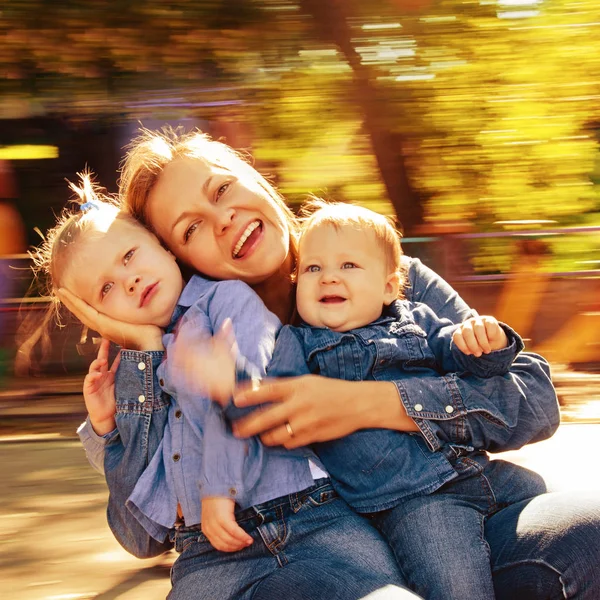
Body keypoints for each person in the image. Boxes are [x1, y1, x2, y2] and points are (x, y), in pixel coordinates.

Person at [59, 127, 600, 600]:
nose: (222, 219)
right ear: (182, 263)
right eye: (191, 228)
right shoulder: (185, 350)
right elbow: (148, 534)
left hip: (463, 517)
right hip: (331, 565)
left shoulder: (383, 270)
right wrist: (144, 349)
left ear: (252, 175)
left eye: (222, 189)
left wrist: (372, 404)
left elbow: (534, 399)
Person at [31, 177, 419, 600]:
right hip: (206, 554)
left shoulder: (227, 300)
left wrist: (218, 489)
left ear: (165, 249)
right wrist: (110, 430)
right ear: (96, 315)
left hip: (307, 521)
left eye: (129, 256)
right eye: (105, 289)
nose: (128, 282)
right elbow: (138, 537)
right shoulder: (134, 374)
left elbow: (252, 391)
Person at [183, 199, 549, 600]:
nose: (328, 279)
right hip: (416, 504)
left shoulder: (415, 317)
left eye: (348, 266)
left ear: (390, 286)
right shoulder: (296, 343)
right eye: (313, 268)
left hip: (475, 471)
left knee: (565, 522)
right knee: (457, 588)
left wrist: (487, 341)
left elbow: (474, 362)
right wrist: (227, 383)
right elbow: (269, 404)